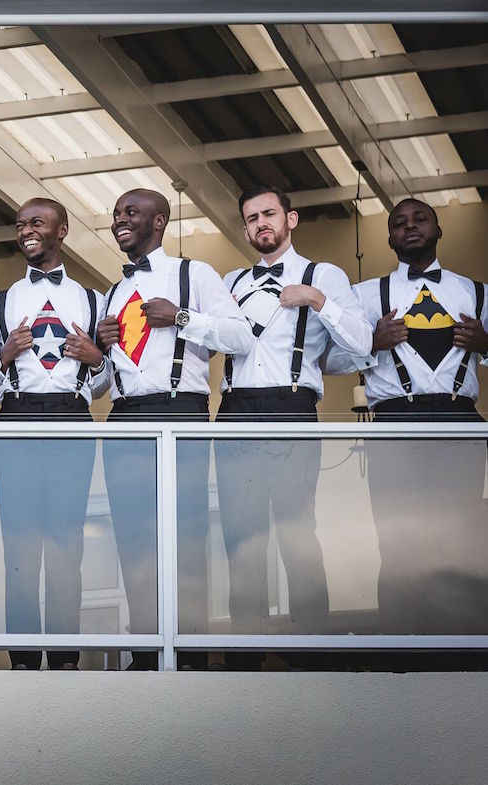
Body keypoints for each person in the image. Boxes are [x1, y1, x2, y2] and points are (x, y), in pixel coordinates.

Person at [214, 186, 373, 669]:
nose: (261, 223)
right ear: (244, 229)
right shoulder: (229, 280)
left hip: (292, 405)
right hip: (235, 409)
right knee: (241, 540)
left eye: (269, 214)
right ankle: (245, 657)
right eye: (251, 218)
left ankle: (313, 653)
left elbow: (363, 343)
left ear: (291, 218)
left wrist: (316, 300)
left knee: (297, 532)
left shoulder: (323, 274)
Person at [94, 189, 252, 669]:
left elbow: (240, 336)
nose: (120, 220)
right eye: (117, 214)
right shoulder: (113, 291)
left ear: (159, 221)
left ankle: (190, 655)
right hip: (123, 418)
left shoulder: (194, 273)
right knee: (132, 538)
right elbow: (106, 381)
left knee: (185, 537)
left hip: (179, 412)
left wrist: (180, 317)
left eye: (131, 213)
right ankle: (145, 652)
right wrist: (97, 352)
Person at [351, 198, 488, 654]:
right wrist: (371, 342)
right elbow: (330, 357)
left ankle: (462, 655)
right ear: (389, 237)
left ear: (438, 228)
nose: (409, 227)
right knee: (395, 542)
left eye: (419, 219)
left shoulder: (477, 292)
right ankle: (401, 656)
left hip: (460, 422)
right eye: (399, 223)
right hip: (393, 423)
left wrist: (487, 343)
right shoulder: (364, 295)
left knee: (459, 541)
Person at [0, 198, 107, 670]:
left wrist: (95, 360)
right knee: (17, 545)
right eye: (20, 225)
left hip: (73, 418)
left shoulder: (95, 299)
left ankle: (63, 659)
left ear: (63, 230)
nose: (26, 231)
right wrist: (3, 354)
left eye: (36, 222)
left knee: (66, 544)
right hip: (15, 415)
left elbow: (105, 385)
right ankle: (21, 659)